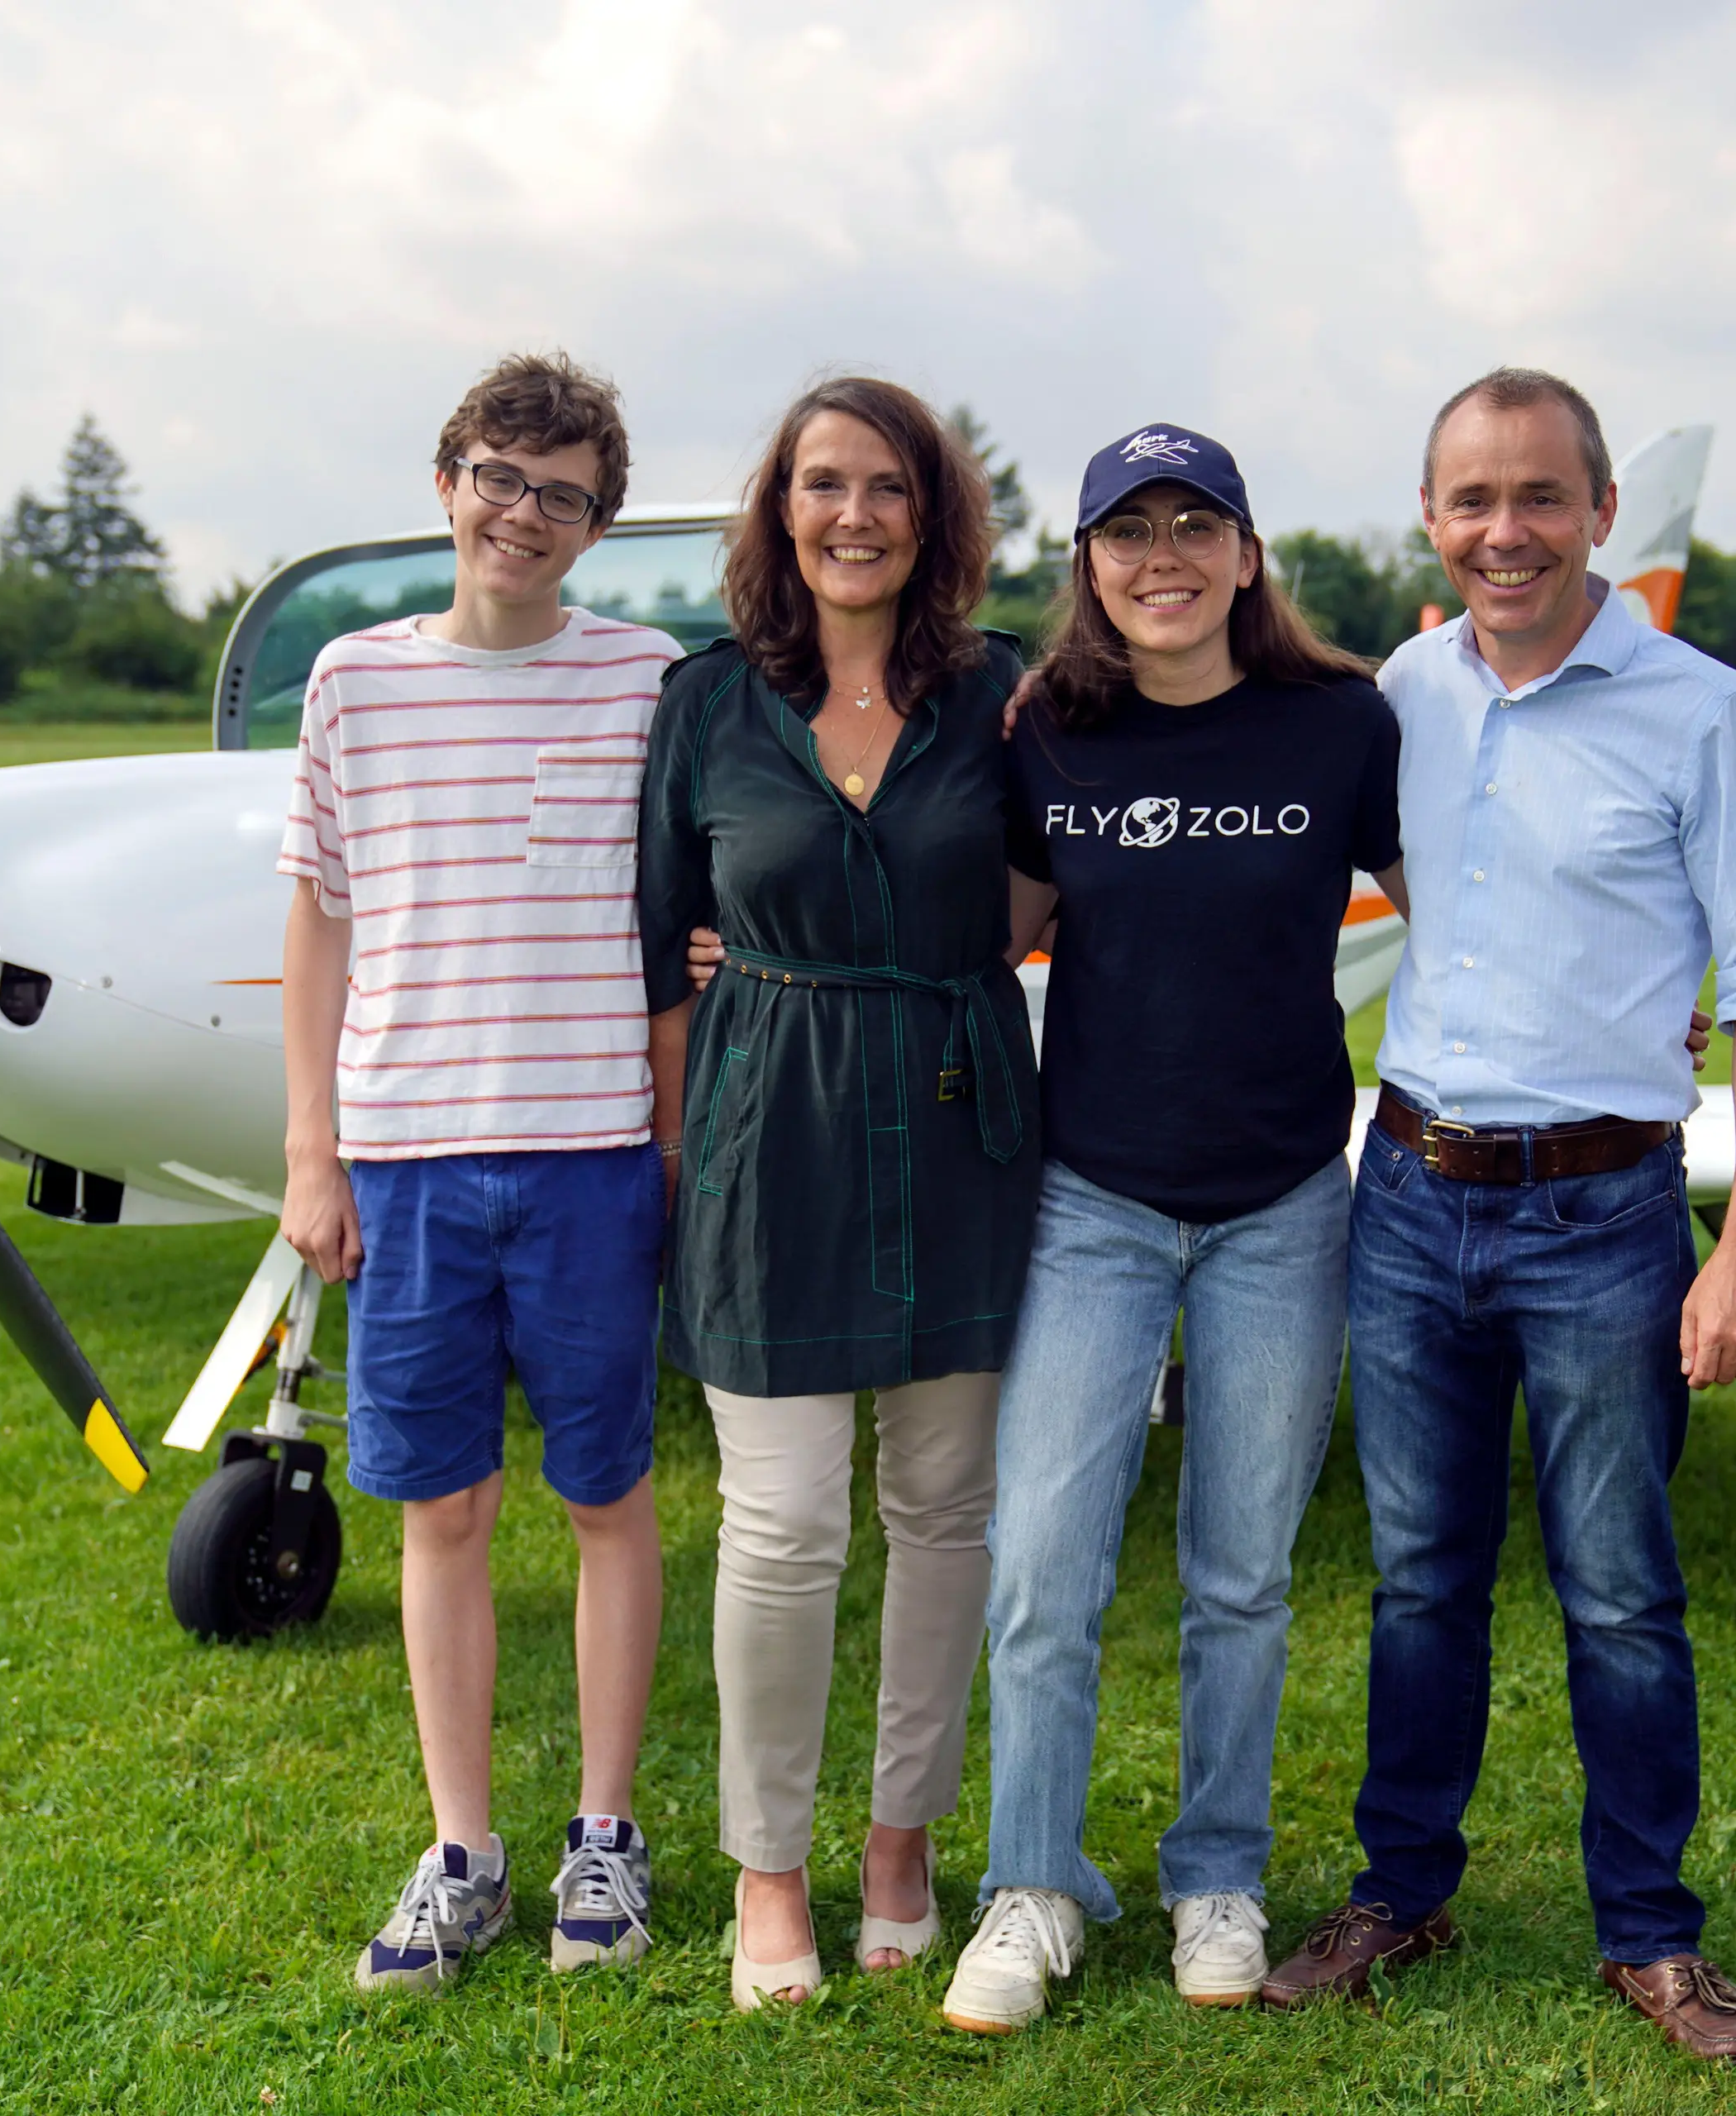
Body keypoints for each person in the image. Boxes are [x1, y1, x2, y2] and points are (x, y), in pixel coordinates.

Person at [1260, 369, 1736, 2066]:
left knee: (1621, 1590)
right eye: (1471, 500)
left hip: (1606, 1211)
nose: (1506, 530)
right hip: (1414, 1199)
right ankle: (1402, 1888)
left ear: (1599, 512)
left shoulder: (1698, 703)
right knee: (1420, 1579)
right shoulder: (1394, 698)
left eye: (1540, 497)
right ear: (1429, 519)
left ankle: (1649, 1929)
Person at [928, 426, 1407, 2033]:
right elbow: (982, 939)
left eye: (1196, 524)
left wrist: (1638, 1000)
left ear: (1249, 554)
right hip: (1094, 1203)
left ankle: (1219, 1874)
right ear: (1087, 569)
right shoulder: (1046, 733)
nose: (1163, 557)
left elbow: (1471, 908)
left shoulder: (1340, 726)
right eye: (1126, 532)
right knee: (1044, 1565)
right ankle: (1032, 1882)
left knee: (1242, 1573)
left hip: (1283, 1202)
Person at [633, 375, 1042, 2012]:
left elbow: (1058, 874)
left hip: (958, 1124)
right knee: (783, 1520)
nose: (854, 513)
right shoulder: (708, 700)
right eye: (823, 484)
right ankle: (768, 1866)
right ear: (778, 508)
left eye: (887, 485)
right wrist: (681, 1158)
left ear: (932, 515)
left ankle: (901, 1837)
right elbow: (664, 948)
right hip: (766, 1140)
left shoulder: (1002, 694)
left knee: (944, 1509)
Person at [276, 350, 675, 1993]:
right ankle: (464, 1849)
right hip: (411, 1157)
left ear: (595, 526)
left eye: (563, 492)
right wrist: (313, 1145)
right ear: (450, 480)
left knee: (607, 1497)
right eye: (502, 477)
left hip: (592, 1156)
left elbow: (689, 906)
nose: (525, 512)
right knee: (438, 1504)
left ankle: (605, 1832)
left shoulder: (653, 677)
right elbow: (319, 910)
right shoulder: (352, 682)